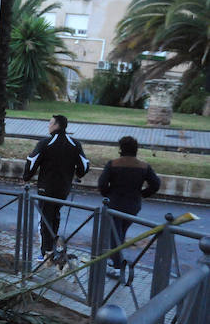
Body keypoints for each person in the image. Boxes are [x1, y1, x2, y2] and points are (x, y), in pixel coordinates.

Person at [23, 114, 90, 259]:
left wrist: (26, 176)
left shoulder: (46, 143)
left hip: (46, 188)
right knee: (55, 216)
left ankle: (46, 253)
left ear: (56, 125)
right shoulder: (75, 144)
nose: (48, 126)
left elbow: (32, 161)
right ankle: (52, 248)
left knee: (45, 219)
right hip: (63, 189)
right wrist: (79, 173)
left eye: (50, 123)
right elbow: (85, 165)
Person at [98, 136, 161, 277]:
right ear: (136, 149)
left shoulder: (113, 164)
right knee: (120, 233)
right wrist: (142, 194)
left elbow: (102, 184)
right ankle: (115, 260)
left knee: (115, 234)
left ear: (121, 149)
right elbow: (156, 184)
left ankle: (117, 267)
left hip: (114, 204)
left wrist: (108, 194)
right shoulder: (144, 166)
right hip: (133, 205)